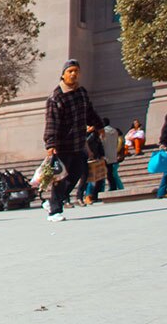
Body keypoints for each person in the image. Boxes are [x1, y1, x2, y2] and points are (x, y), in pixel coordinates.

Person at [41, 59, 102, 222]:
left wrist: (99, 125)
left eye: (76, 71)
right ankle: (54, 211)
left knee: (77, 173)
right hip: (62, 145)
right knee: (60, 177)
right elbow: (51, 122)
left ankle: (53, 201)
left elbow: (89, 111)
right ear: (63, 74)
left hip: (78, 143)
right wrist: (50, 143)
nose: (74, 74)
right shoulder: (56, 97)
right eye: (70, 71)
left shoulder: (81, 92)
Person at [100, 118, 124, 193]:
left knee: (106, 173)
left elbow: (101, 142)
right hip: (113, 153)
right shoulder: (114, 131)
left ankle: (110, 187)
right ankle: (113, 186)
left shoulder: (102, 132)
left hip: (105, 154)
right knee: (110, 172)